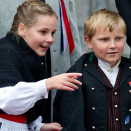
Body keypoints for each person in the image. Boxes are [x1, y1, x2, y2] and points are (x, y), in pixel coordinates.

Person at [0, 0, 82, 131]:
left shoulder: (27, 54)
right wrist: (46, 84)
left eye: (53, 33)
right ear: (22, 29)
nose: (50, 39)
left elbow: (21, 114)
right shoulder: (6, 53)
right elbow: (6, 101)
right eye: (43, 32)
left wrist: (37, 126)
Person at [53, 8, 131, 131]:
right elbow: (70, 121)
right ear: (88, 42)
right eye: (104, 39)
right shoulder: (75, 76)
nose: (113, 45)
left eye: (118, 38)